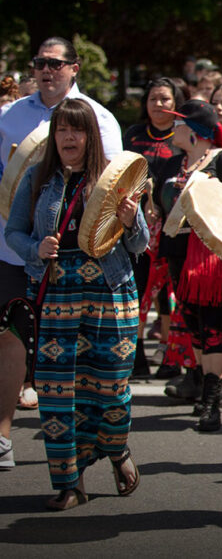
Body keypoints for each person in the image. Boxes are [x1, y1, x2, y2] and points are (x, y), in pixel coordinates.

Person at [5, 98, 148, 510]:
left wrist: (130, 218)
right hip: (57, 294)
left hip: (111, 292)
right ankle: (69, 483)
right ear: (54, 136)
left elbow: (140, 244)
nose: (69, 137)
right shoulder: (36, 179)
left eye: (78, 129)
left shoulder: (114, 179)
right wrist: (35, 248)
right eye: (63, 130)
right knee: (57, 392)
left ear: (91, 136)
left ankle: (117, 449)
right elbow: (13, 231)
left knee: (111, 388)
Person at [0, 37, 122, 474]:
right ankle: (9, 439)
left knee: (94, 371)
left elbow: (114, 187)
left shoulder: (100, 118)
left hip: (90, 269)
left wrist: (128, 222)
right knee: (17, 343)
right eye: (39, 63)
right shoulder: (11, 116)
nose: (46, 70)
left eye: (55, 63)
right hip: (23, 258)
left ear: (74, 68)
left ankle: (105, 448)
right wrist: (31, 244)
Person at [155, 100, 222, 431]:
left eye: (179, 124)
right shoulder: (171, 164)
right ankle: (206, 390)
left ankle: (212, 399)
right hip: (177, 252)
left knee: (213, 326)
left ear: (194, 131)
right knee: (194, 327)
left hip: (210, 257)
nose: (173, 129)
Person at [122, 77, 185, 380]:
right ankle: (135, 355)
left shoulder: (184, 136)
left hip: (175, 226)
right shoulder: (133, 136)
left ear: (176, 103)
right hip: (138, 227)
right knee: (139, 289)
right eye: (153, 99)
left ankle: (171, 355)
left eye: (165, 99)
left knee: (170, 294)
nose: (159, 105)